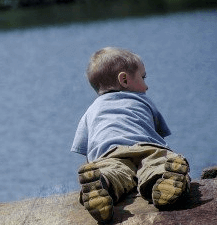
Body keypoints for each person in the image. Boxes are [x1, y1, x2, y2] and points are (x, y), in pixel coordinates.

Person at [71, 47, 190, 223]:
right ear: (124, 79)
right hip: (148, 148)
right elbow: (160, 136)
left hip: (110, 154)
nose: (146, 85)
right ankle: (163, 179)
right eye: (143, 77)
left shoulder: (90, 111)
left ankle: (103, 183)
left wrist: (97, 168)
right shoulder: (143, 100)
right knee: (159, 163)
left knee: (114, 173)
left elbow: (85, 150)